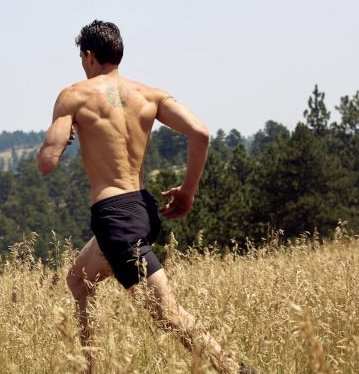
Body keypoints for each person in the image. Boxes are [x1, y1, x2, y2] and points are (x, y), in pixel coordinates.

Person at [36, 20, 243, 373]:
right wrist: (187, 191)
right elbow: (200, 133)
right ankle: (92, 368)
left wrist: (55, 143)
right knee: (78, 281)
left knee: (168, 316)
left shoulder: (74, 96)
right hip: (141, 208)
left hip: (115, 219)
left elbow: (46, 164)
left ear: (88, 56)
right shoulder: (151, 95)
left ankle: (237, 370)